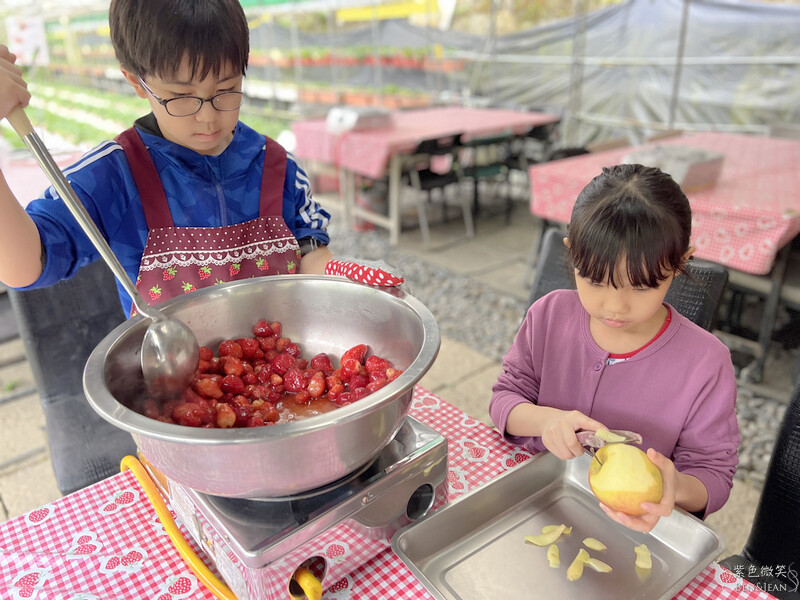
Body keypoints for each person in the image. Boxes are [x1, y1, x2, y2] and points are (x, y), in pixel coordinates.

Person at [0, 0, 400, 316]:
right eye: (180, 96)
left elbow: (309, 253)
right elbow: (25, 266)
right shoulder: (112, 177)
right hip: (175, 400)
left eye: (226, 89)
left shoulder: (277, 167)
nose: (208, 117)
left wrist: (340, 273)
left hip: (279, 381)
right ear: (135, 81)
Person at [489, 163, 739, 533]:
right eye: (594, 281)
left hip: (637, 527)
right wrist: (547, 422)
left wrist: (675, 487)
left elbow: (714, 474)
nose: (614, 307)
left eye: (640, 287)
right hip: (538, 502)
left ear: (680, 263)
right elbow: (505, 398)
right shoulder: (549, 315)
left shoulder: (706, 362)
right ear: (572, 254)